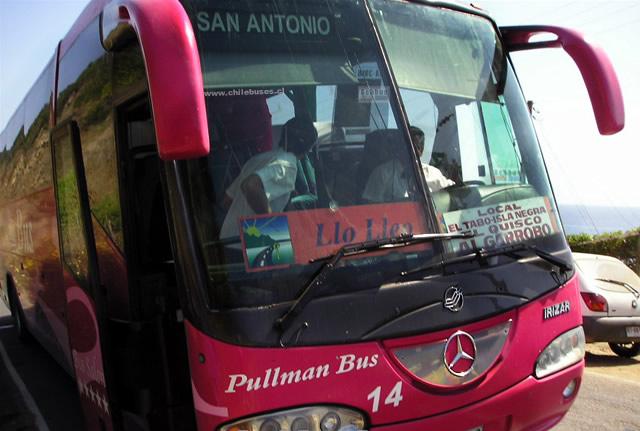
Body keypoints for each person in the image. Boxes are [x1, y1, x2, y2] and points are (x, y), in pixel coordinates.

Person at [219, 116, 318, 239]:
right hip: (251, 246)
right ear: (308, 148)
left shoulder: (257, 160)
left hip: (227, 241)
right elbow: (250, 185)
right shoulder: (288, 165)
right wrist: (272, 226)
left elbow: (227, 201)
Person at [362, 125, 454, 203]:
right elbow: (369, 207)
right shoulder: (382, 173)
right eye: (407, 147)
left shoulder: (433, 173)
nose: (412, 152)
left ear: (421, 151)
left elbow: (453, 193)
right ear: (398, 148)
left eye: (416, 147)